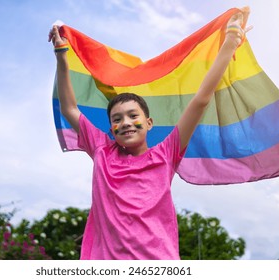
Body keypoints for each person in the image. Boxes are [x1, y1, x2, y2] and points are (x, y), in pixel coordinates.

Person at [49, 11, 251, 260]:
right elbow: (70, 108)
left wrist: (231, 40)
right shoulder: (102, 149)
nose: (125, 123)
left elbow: (201, 100)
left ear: (149, 122)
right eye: (117, 119)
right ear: (110, 128)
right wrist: (61, 55)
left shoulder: (167, 153)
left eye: (133, 116)